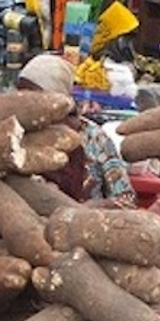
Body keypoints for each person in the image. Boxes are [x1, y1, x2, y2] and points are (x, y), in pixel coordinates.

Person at [17, 53, 138, 208]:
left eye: (35, 97)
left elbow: (126, 200)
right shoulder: (16, 137)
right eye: (20, 94)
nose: (24, 103)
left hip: (92, 225)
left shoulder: (93, 137)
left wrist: (91, 208)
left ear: (58, 97)